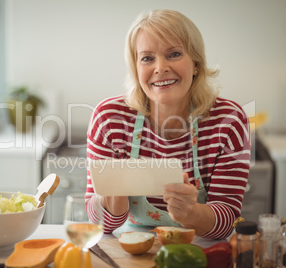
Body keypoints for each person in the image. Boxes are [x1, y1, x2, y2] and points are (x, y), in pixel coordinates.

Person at [85, 9, 251, 239]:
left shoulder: (228, 120)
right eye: (147, 58)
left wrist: (192, 213)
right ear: (136, 68)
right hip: (132, 247)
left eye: (173, 54)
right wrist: (113, 198)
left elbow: (227, 220)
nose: (160, 67)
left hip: (200, 249)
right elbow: (99, 225)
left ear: (196, 64)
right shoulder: (109, 118)